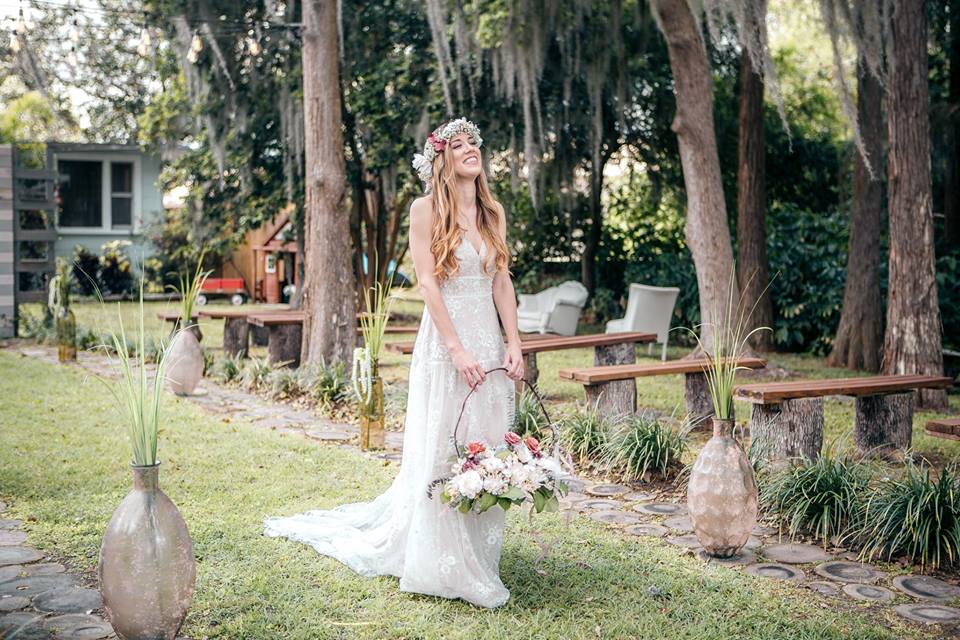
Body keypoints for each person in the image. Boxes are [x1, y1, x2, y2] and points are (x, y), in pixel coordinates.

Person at [264, 117, 524, 608]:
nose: (471, 149)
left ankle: (475, 547)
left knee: (485, 440)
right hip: (447, 342)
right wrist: (456, 350)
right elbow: (427, 283)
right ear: (442, 159)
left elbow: (501, 282)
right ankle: (443, 560)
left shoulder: (493, 212)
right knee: (445, 443)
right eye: (459, 144)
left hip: (489, 340)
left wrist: (513, 340)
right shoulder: (425, 210)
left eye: (475, 142)